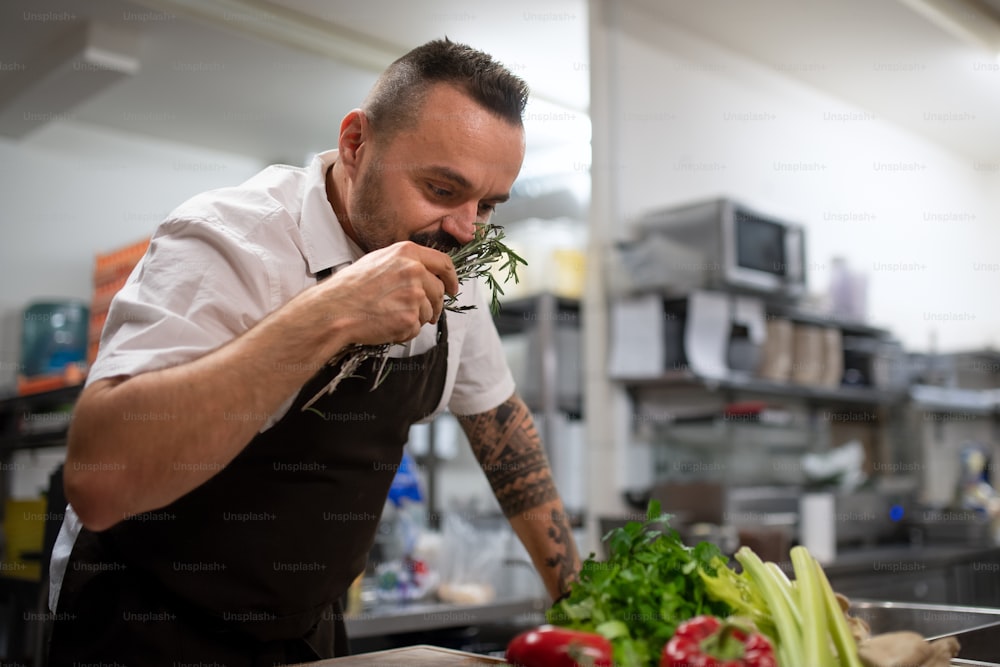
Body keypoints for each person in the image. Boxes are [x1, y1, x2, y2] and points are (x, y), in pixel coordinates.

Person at [47, 38, 581, 664]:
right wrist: (332, 309)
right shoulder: (229, 241)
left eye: (486, 205)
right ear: (356, 144)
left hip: (306, 632)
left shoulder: (452, 266)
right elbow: (101, 480)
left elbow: (505, 436)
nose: (465, 229)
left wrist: (583, 606)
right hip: (145, 627)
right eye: (441, 189)